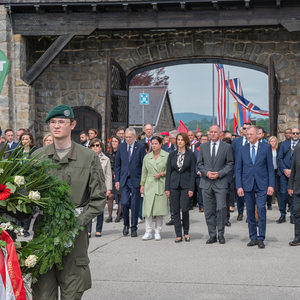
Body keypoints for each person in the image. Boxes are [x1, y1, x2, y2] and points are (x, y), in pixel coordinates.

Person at [32, 104, 106, 300]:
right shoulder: (37, 157)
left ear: (72, 125)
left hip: (75, 235)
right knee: (42, 294)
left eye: (62, 122)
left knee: (72, 292)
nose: (56, 126)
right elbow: (26, 196)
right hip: (43, 234)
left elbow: (99, 198)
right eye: (53, 122)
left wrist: (77, 221)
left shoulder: (88, 157)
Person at [236, 126, 275, 249]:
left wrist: (271, 185)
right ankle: (253, 236)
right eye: (247, 134)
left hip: (262, 184)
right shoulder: (242, 149)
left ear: (258, 135)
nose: (249, 136)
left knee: (262, 210)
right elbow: (238, 169)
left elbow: (270, 168)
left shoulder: (266, 147)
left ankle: (261, 237)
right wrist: (239, 186)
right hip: (247, 184)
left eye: (251, 134)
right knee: (251, 211)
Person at [197, 125, 233, 245]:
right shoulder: (203, 146)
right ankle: (212, 234)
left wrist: (219, 173)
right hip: (206, 182)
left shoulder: (227, 147)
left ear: (220, 133)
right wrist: (206, 173)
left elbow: (229, 163)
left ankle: (221, 234)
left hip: (220, 182)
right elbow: (200, 163)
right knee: (208, 210)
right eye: (211, 132)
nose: (212, 134)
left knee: (221, 208)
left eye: (215, 132)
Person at [114, 127, 145, 237]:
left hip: (135, 179)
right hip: (124, 179)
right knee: (125, 203)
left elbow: (143, 165)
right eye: (126, 137)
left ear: (135, 137)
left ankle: (134, 227)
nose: (128, 139)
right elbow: (117, 165)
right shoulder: (121, 147)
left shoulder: (140, 147)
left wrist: (143, 182)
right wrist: (117, 180)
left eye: (130, 137)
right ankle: (126, 224)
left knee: (135, 204)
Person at [165, 132, 195, 243]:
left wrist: (191, 188)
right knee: (175, 210)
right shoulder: (172, 154)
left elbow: (192, 172)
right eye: (178, 140)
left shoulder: (190, 155)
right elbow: (168, 172)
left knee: (185, 209)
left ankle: (186, 232)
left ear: (186, 141)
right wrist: (167, 187)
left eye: (182, 140)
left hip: (186, 185)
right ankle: (178, 234)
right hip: (173, 185)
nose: (180, 142)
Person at [140, 136, 169, 241]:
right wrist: (142, 184)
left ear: (161, 144)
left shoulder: (166, 156)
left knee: (159, 210)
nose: (154, 145)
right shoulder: (147, 157)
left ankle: (158, 231)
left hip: (161, 183)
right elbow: (144, 172)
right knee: (148, 210)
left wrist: (162, 173)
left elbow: (169, 170)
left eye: (156, 143)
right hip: (150, 184)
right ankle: (148, 231)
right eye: (152, 143)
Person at [88, 139, 112, 237]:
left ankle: (98, 229)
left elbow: (108, 175)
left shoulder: (106, 159)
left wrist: (108, 188)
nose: (95, 147)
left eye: (97, 145)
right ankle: (88, 230)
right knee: (88, 208)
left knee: (100, 209)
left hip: (101, 186)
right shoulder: (87, 158)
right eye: (93, 145)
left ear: (101, 147)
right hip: (89, 186)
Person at [277, 126, 300, 224]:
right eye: (293, 133)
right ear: (290, 134)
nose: (295, 135)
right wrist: (285, 170)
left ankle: (293, 215)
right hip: (284, 173)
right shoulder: (284, 144)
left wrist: (292, 171)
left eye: (297, 133)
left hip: (296, 174)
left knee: (295, 194)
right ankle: (282, 214)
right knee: (283, 194)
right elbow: (280, 158)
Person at [232, 122, 251, 221]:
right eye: (244, 128)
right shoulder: (236, 141)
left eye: (248, 128)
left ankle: (249, 213)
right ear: (241, 130)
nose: (246, 130)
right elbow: (232, 157)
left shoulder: (253, 141)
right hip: (239, 171)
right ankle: (240, 212)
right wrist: (234, 171)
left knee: (249, 193)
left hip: (250, 172)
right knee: (239, 193)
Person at [162, 129, 178, 226]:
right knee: (172, 199)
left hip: (180, 176)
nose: (169, 140)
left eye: (170, 138)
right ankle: (173, 217)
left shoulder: (182, 147)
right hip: (171, 176)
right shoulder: (167, 147)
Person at [106, 136, 122, 222]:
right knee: (110, 196)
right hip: (110, 177)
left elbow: (122, 165)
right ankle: (109, 216)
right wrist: (112, 174)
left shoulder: (122, 153)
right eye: (113, 141)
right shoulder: (108, 153)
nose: (114, 143)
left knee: (120, 197)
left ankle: (118, 216)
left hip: (119, 177)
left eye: (116, 141)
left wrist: (118, 174)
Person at [288, 144, 300, 246]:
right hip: (297, 188)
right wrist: (290, 186)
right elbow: (294, 169)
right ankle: (298, 237)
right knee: (296, 212)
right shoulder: (297, 150)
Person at [267, 136, 281, 211]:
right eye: (271, 141)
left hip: (276, 171)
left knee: (277, 189)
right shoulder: (267, 151)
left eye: (274, 141)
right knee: (269, 188)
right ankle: (269, 204)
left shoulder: (278, 151)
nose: (273, 143)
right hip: (269, 172)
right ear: (269, 142)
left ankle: (280, 204)